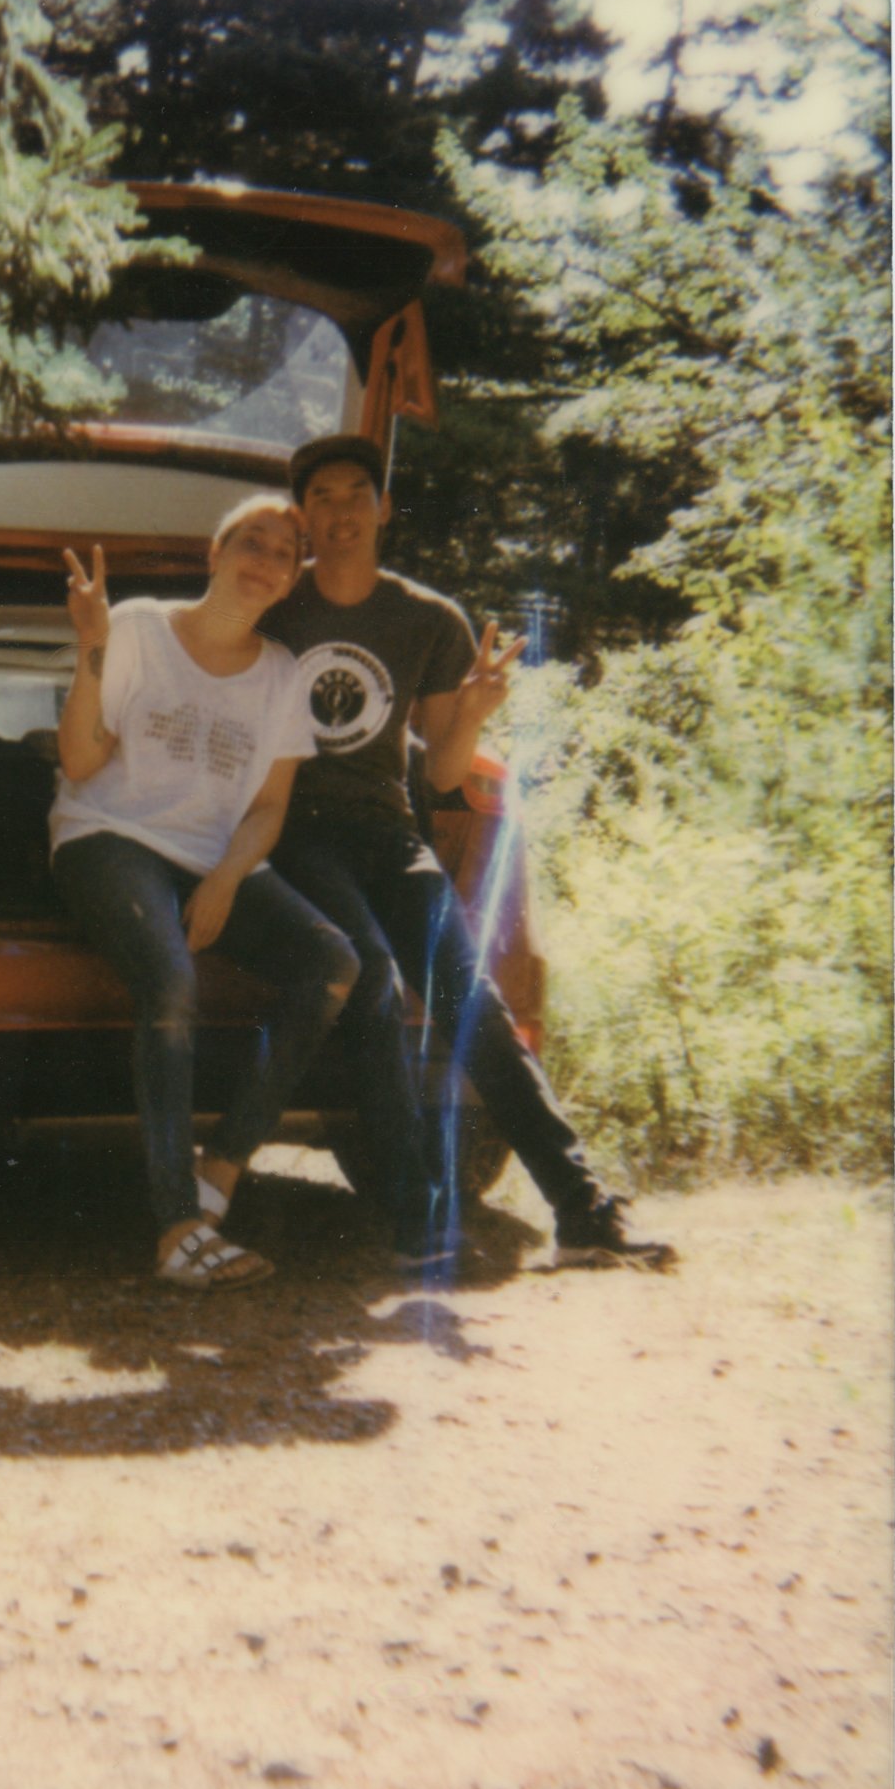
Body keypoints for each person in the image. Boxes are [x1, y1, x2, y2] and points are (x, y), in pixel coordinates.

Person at [263, 432, 675, 1269]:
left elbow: (445, 773)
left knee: (473, 1001)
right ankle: (415, 1220)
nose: (340, 511)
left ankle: (585, 1210)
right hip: (296, 833)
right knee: (374, 977)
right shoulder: (275, 606)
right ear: (303, 517)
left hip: (387, 831)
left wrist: (474, 714)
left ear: (381, 509)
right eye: (323, 498)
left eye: (355, 495)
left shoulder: (428, 619)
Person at [51, 494, 372, 1290]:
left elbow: (268, 807)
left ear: (291, 579)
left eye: (283, 553)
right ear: (216, 552)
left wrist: (228, 877)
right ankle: (176, 1231)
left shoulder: (281, 676)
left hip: (214, 859)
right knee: (170, 978)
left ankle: (221, 1168)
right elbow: (83, 763)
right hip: (106, 836)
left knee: (332, 961)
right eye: (252, 542)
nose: (265, 560)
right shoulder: (136, 627)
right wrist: (93, 646)